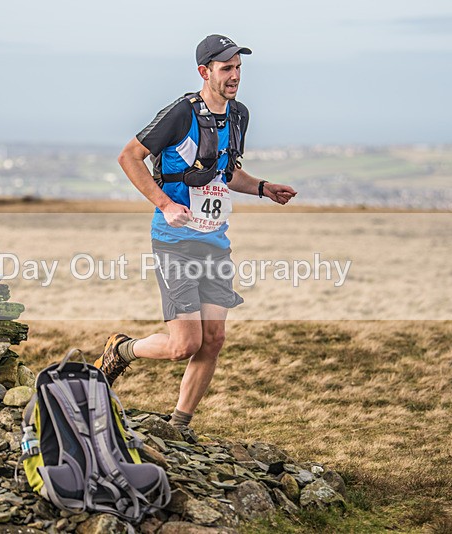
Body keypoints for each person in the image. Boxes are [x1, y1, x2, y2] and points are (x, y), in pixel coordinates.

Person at [96, 35, 297, 443]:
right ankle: (122, 350)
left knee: (214, 339)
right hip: (175, 240)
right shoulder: (180, 113)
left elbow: (225, 173)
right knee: (183, 345)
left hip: (215, 242)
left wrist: (261, 187)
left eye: (239, 68)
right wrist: (164, 203)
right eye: (226, 68)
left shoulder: (239, 115)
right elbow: (128, 157)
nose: (235, 76)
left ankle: (178, 425)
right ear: (204, 72)